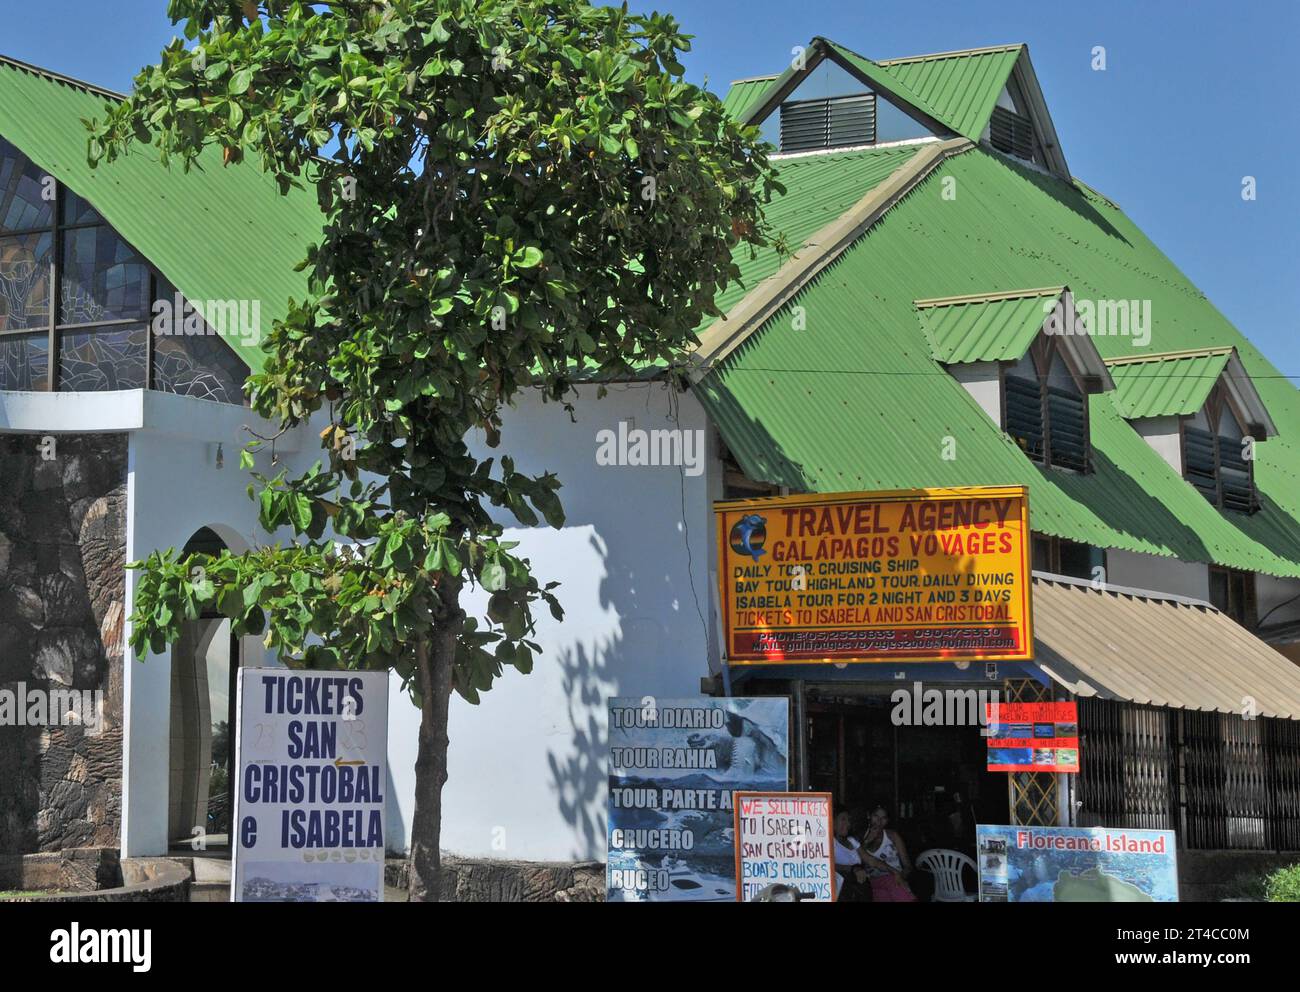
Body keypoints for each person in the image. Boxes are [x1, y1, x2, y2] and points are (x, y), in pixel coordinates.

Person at [860, 805, 917, 902]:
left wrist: (899, 877)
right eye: (876, 816)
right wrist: (867, 841)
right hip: (874, 882)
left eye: (883, 818)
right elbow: (857, 862)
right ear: (868, 816)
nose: (879, 821)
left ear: (887, 820)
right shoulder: (860, 837)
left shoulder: (892, 836)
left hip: (894, 880)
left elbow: (908, 866)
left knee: (892, 884)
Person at [832, 810, 872, 902]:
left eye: (849, 820)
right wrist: (852, 869)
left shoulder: (852, 840)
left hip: (860, 885)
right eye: (843, 819)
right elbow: (827, 865)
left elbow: (870, 859)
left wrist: (893, 870)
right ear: (832, 821)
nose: (848, 823)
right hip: (844, 888)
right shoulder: (830, 842)